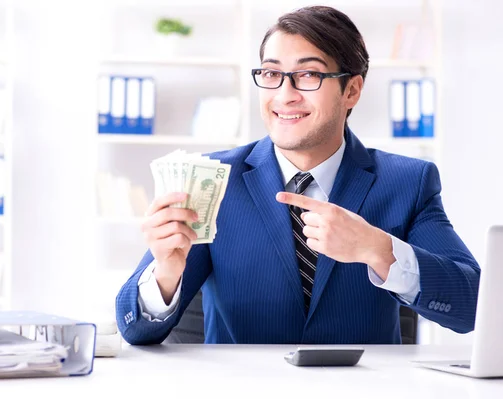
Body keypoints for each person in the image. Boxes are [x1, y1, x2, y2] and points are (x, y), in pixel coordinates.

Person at [116, 5, 480, 345]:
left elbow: (471, 303)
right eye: (272, 74)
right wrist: (165, 273)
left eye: (308, 74)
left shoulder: (407, 183)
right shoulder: (213, 178)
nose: (285, 95)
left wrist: (377, 249)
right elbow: (135, 329)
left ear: (351, 90)